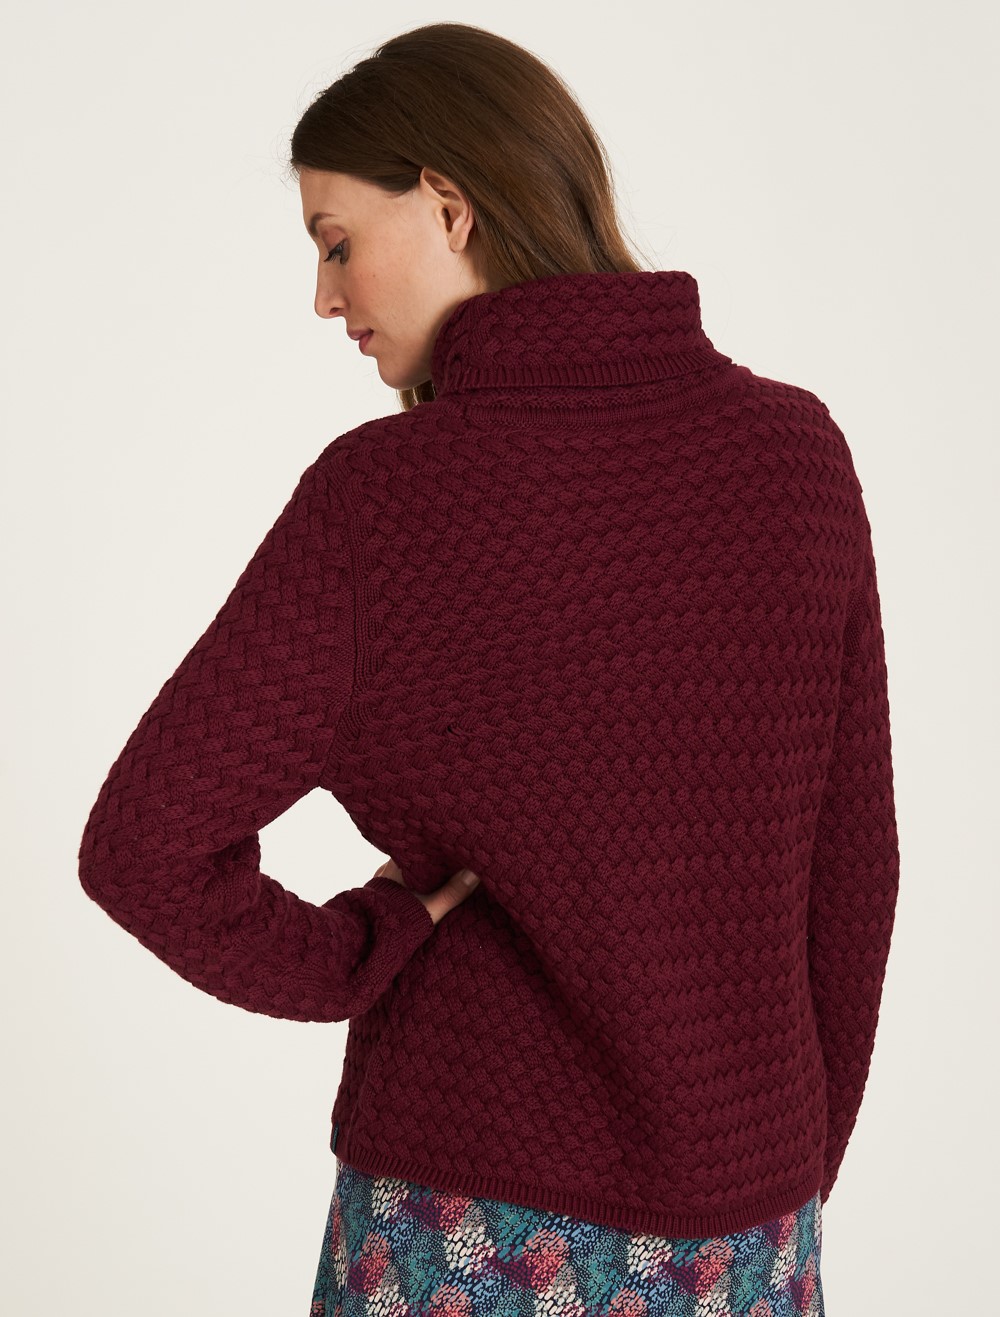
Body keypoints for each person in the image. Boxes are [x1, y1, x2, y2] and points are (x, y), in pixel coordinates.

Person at [79, 21, 902, 1317]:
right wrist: (784, 1187)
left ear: (449, 205)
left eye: (336, 240)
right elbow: (853, 881)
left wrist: (367, 946)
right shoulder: (796, 458)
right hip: (747, 1239)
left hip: (460, 1228)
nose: (324, 297)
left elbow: (142, 848)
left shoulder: (386, 501)